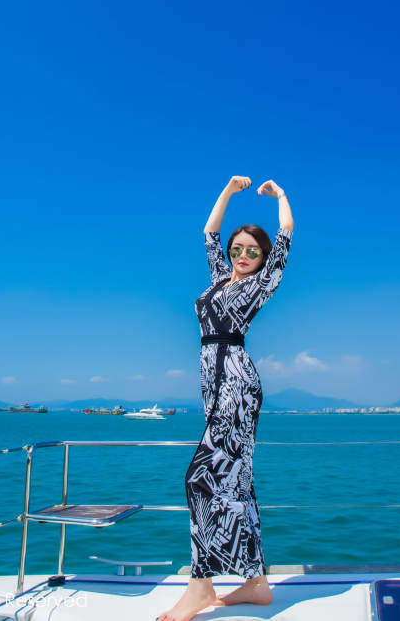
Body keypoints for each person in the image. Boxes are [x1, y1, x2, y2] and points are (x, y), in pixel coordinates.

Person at [156, 176, 294, 621]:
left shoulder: (260, 285)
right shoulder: (220, 279)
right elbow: (209, 233)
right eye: (238, 249)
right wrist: (229, 192)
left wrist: (281, 197)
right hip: (214, 385)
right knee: (236, 483)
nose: (243, 256)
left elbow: (286, 235)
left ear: (263, 258)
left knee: (200, 479)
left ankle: (201, 585)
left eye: (253, 251)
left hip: (236, 383)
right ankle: (255, 583)